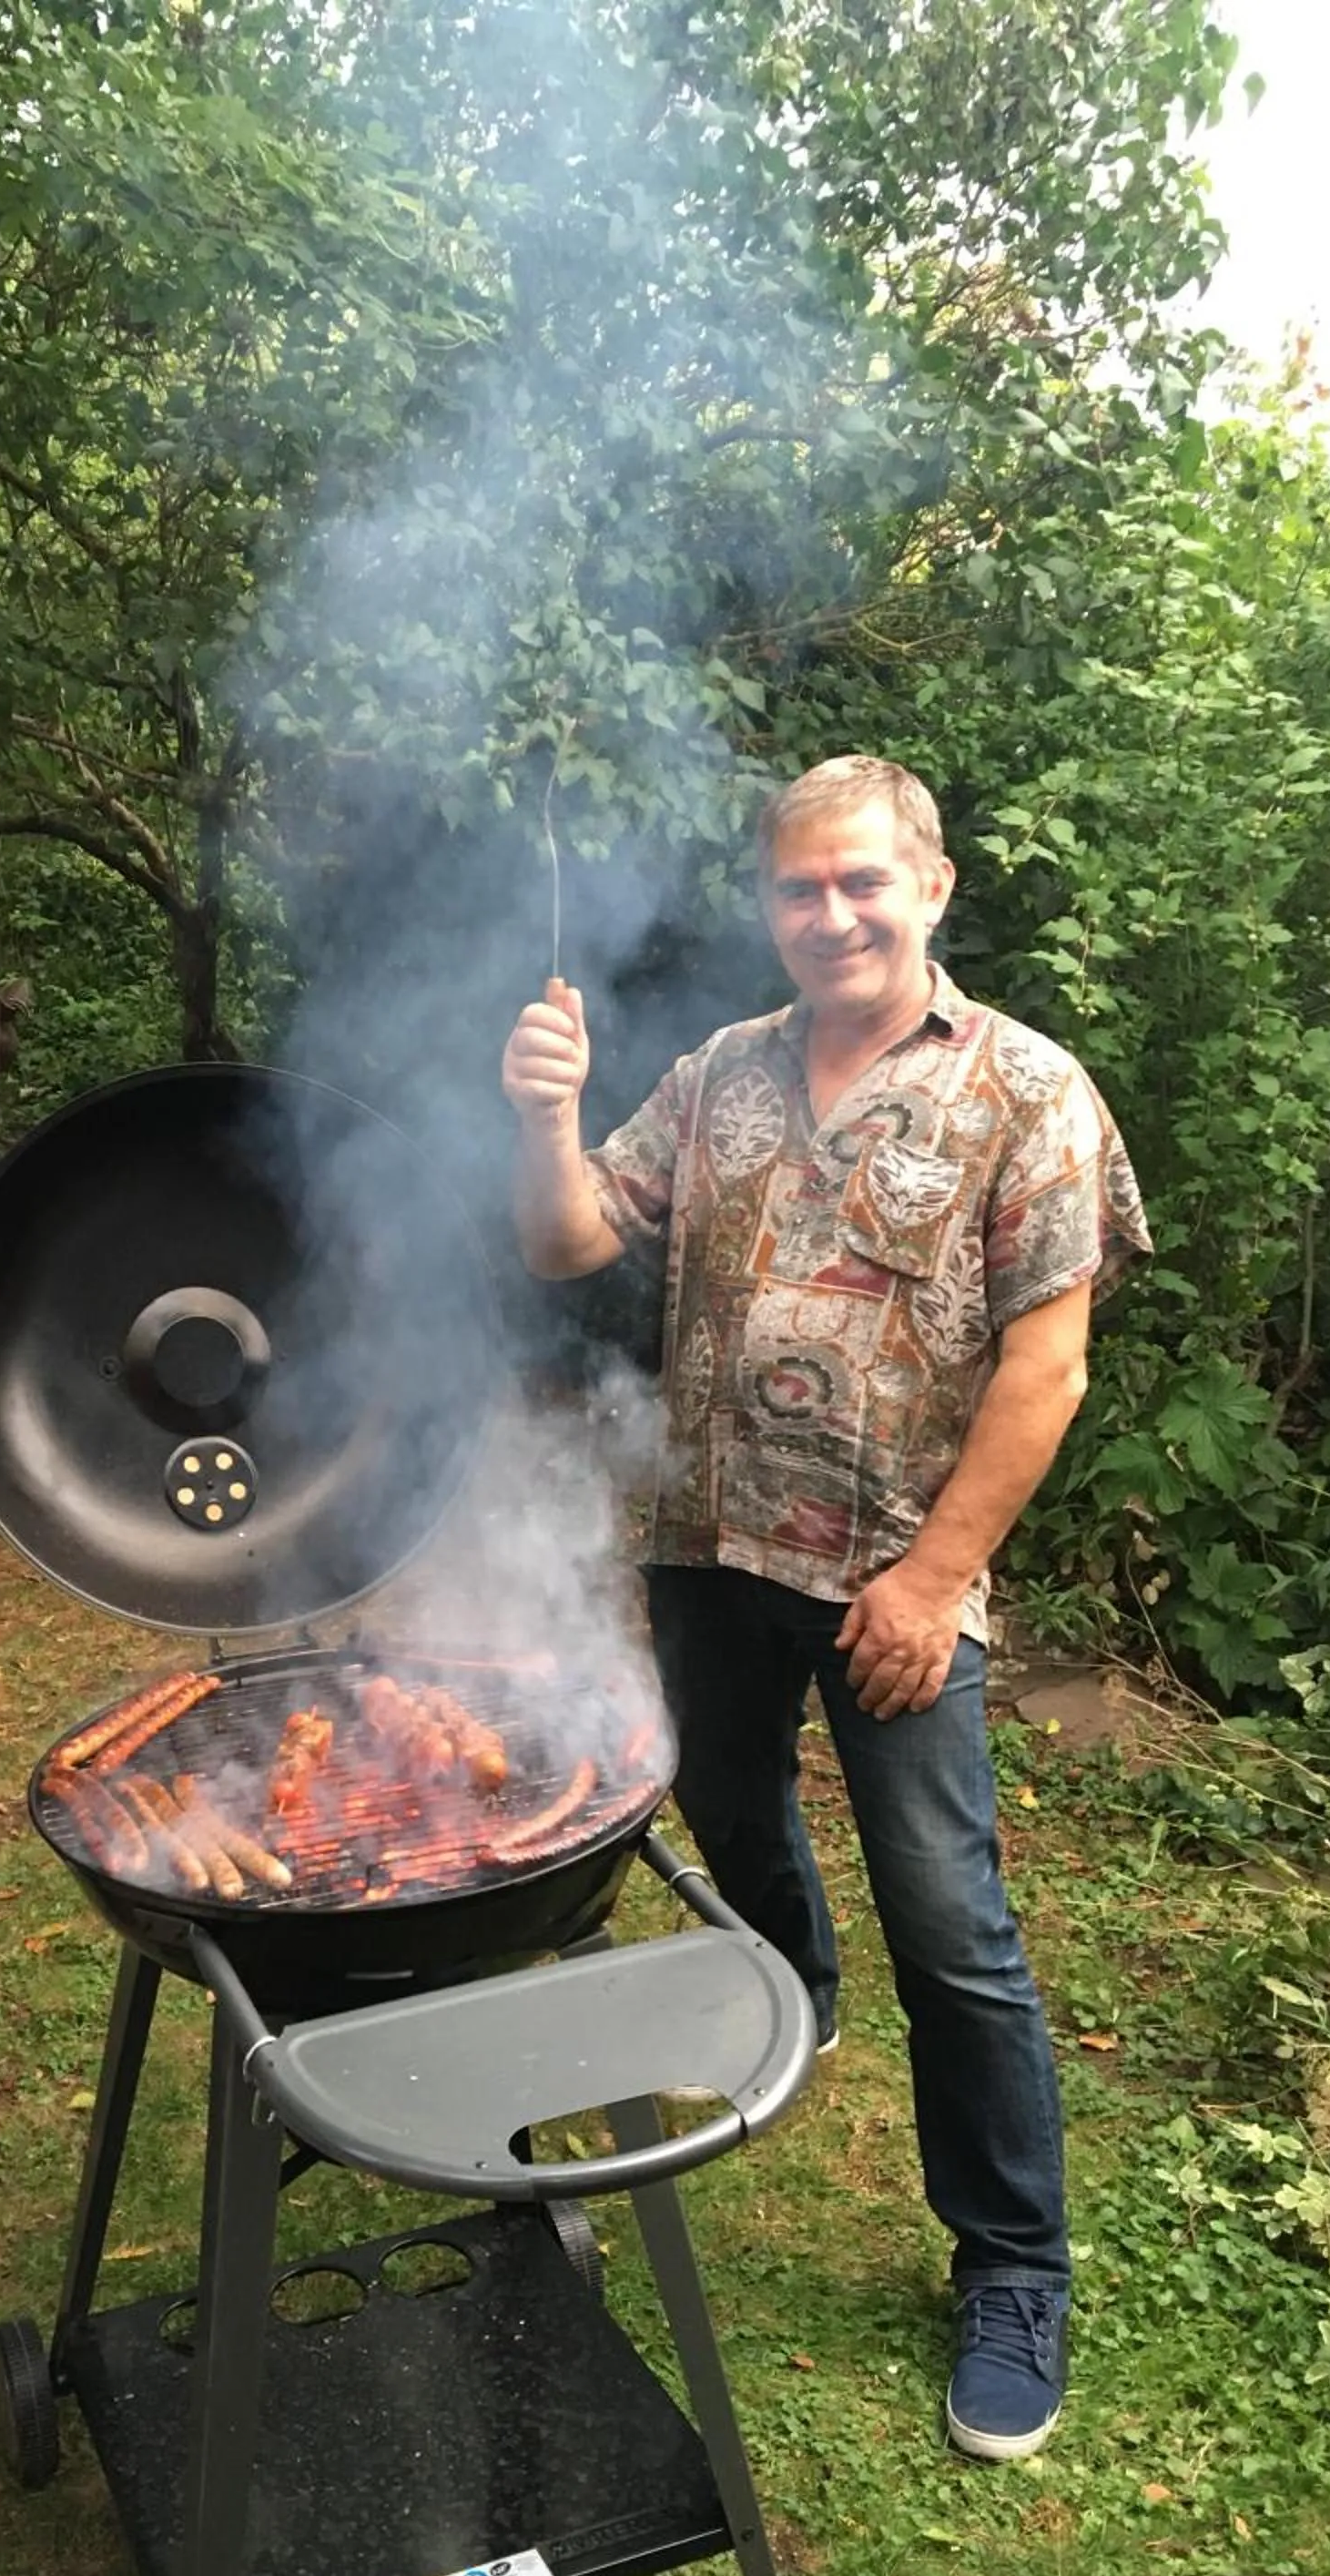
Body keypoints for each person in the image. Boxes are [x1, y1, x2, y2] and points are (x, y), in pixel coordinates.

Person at [502, 753, 1150, 2464]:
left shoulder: (1026, 1089)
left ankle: (1014, 2265)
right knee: (721, 1805)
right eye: (801, 888)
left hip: (888, 1585)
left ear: (929, 886)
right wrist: (541, 1113)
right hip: (706, 1547)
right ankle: (791, 1979)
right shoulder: (717, 1075)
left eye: (863, 881)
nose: (833, 912)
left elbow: (1049, 1361)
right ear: (769, 909)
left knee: (952, 1924)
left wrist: (935, 1579)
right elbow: (572, 1248)